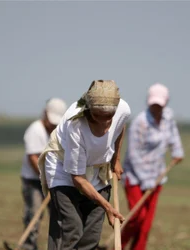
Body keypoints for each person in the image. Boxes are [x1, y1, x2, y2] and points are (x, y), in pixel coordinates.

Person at [37, 80, 130, 250]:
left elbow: (120, 127)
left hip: (96, 169)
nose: (104, 124)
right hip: (64, 170)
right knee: (71, 229)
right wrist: (108, 207)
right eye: (97, 117)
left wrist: (115, 159)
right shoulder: (76, 125)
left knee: (91, 236)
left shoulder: (122, 109)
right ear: (89, 110)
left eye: (109, 118)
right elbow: (77, 178)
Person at [120, 83, 184, 250]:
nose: (156, 108)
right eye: (153, 104)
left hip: (157, 175)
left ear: (165, 102)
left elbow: (173, 137)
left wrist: (177, 151)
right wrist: (145, 179)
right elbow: (133, 155)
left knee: (146, 224)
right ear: (149, 102)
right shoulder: (140, 123)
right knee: (137, 217)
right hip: (135, 177)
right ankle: (117, 246)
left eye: (159, 105)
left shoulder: (168, 118)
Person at [19, 97, 67, 250]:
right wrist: (46, 180)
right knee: (33, 213)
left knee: (58, 215)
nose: (52, 124)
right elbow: (33, 158)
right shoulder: (35, 130)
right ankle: (28, 246)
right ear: (45, 114)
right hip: (34, 181)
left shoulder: (60, 132)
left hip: (54, 181)